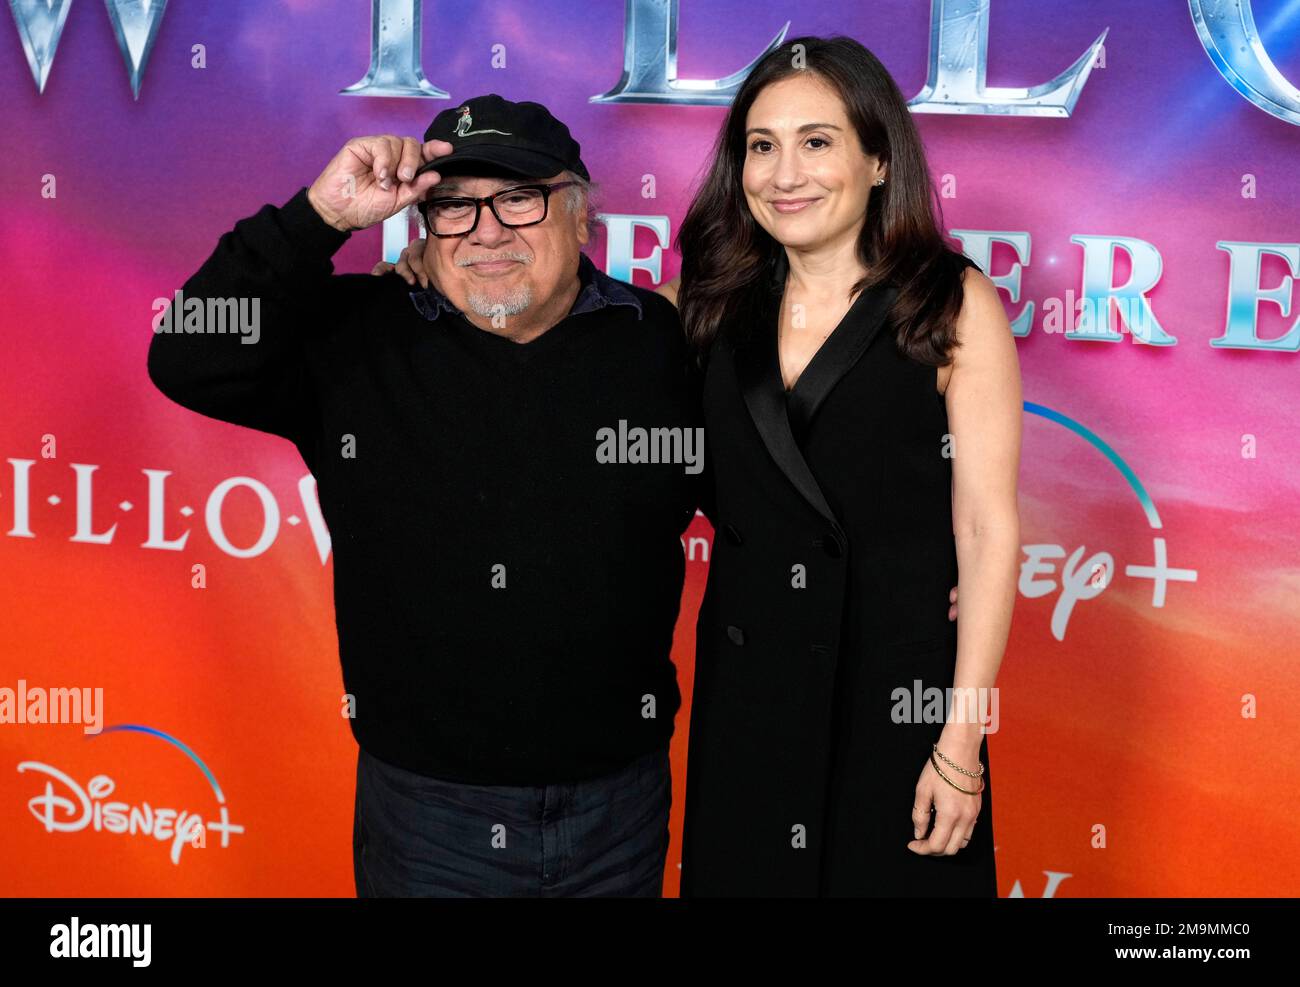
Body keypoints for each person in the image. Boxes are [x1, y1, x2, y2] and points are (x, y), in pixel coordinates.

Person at [147, 94, 698, 897]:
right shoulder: (356, 336)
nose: (486, 230)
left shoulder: (661, 340)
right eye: (452, 207)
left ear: (582, 216)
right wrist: (318, 218)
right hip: (429, 821)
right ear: (419, 226)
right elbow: (187, 357)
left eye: (518, 197)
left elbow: (777, 492)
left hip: (622, 808)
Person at [672, 35, 1022, 896]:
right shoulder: (712, 300)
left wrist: (961, 746)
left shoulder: (951, 300)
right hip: (750, 695)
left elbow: (985, 528)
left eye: (817, 141)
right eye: (762, 145)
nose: (784, 173)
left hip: (897, 697)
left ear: (877, 160)